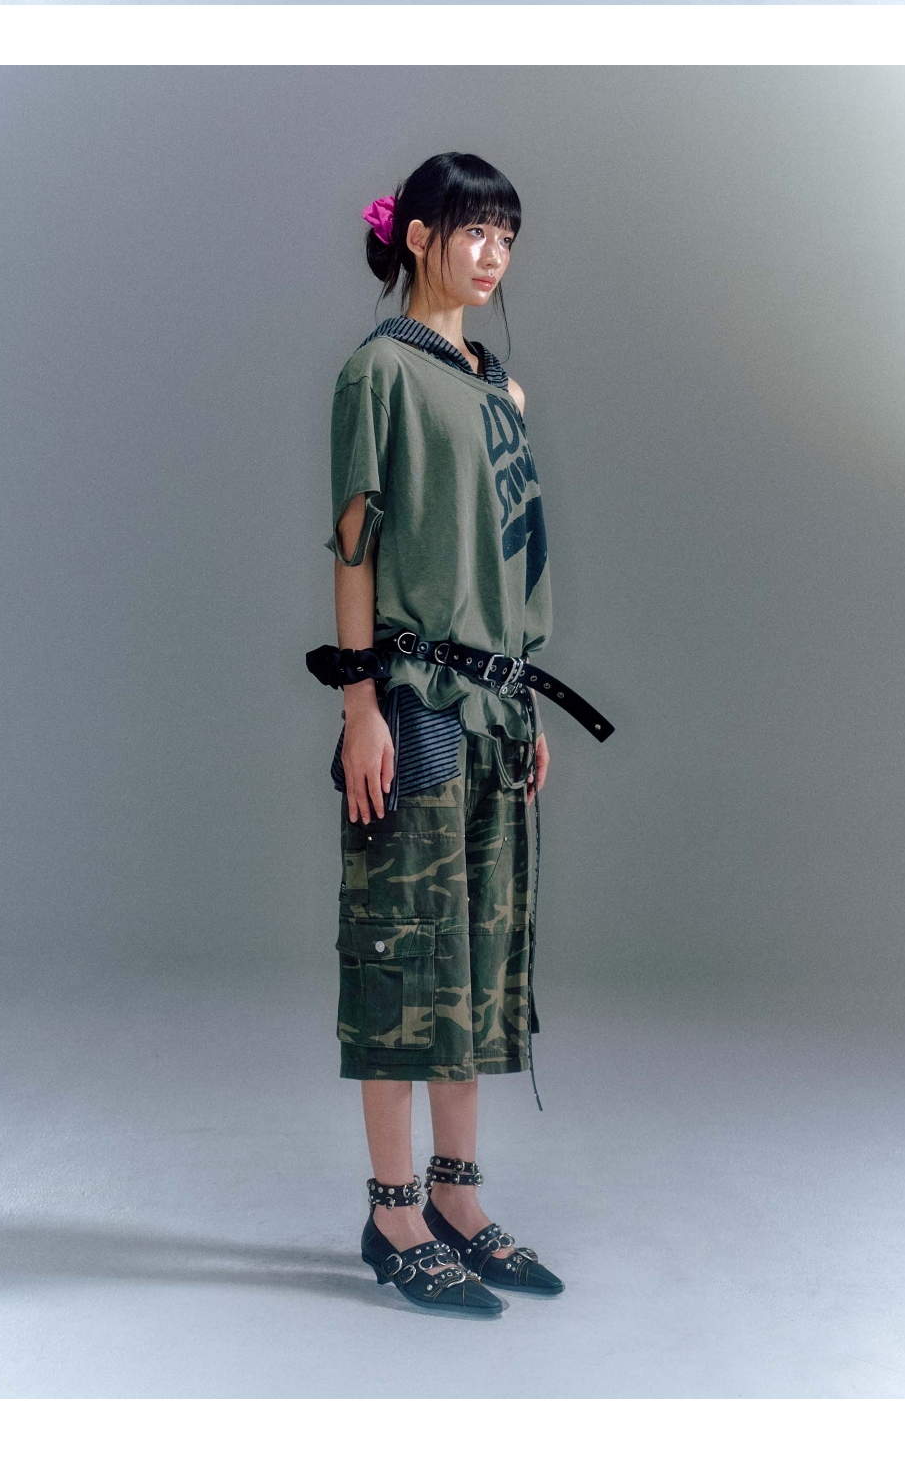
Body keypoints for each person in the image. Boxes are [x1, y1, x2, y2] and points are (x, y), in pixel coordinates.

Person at [321, 144, 584, 1291]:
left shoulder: (502, 391)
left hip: (497, 708)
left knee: (478, 958)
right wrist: (360, 704)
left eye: (507, 235)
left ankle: (458, 1194)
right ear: (419, 235)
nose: (494, 254)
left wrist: (527, 703)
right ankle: (392, 1215)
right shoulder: (376, 371)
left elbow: (515, 561)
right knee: (404, 954)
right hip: (414, 706)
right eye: (475, 229)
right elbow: (355, 548)